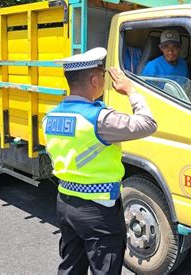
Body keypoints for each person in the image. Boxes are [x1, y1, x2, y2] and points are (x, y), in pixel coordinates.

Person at [43, 47, 157, 274]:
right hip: (98, 209)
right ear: (94, 79)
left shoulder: (51, 116)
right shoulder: (99, 118)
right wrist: (132, 91)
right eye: (103, 75)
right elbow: (148, 123)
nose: (104, 80)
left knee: (71, 266)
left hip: (65, 203)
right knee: (104, 268)